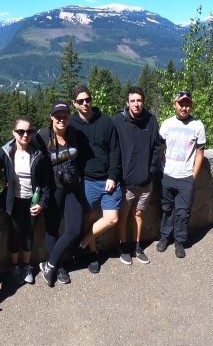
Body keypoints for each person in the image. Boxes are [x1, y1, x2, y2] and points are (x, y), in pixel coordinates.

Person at [0, 116, 51, 285]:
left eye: (29, 131)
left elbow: (46, 181)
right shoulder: (6, 152)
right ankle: (15, 267)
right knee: (15, 235)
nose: (25, 135)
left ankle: (26, 266)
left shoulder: (38, 153)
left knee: (28, 234)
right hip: (13, 201)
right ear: (13, 132)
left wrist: (41, 203)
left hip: (32, 201)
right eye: (21, 131)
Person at [69, 84, 123, 274]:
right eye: (81, 101)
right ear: (74, 104)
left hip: (108, 179)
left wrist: (113, 176)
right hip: (87, 181)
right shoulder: (72, 125)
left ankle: (81, 244)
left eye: (88, 99)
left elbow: (115, 150)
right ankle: (92, 253)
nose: (85, 103)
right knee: (90, 216)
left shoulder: (106, 121)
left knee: (111, 218)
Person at [35, 101, 86, 287]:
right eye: (58, 116)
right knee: (52, 228)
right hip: (53, 188)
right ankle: (59, 265)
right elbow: (23, 150)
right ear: (51, 117)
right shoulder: (42, 136)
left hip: (73, 187)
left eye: (65, 115)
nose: (61, 119)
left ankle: (49, 264)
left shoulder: (74, 134)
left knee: (74, 230)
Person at [112, 87, 162, 265]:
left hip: (146, 181)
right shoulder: (118, 121)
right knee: (124, 215)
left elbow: (157, 146)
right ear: (127, 103)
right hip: (126, 181)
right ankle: (124, 247)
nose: (136, 104)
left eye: (139, 100)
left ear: (143, 102)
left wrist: (151, 169)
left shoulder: (151, 120)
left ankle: (137, 246)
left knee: (139, 213)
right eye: (132, 101)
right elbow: (113, 148)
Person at [157, 91, 206, 259]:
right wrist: (160, 169)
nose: (184, 107)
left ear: (190, 106)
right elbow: (160, 148)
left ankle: (179, 241)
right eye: (181, 104)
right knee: (167, 209)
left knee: (183, 212)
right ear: (174, 105)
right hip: (168, 174)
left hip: (186, 177)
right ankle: (164, 237)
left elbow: (200, 153)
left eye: (187, 104)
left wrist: (193, 176)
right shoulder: (166, 124)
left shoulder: (197, 125)